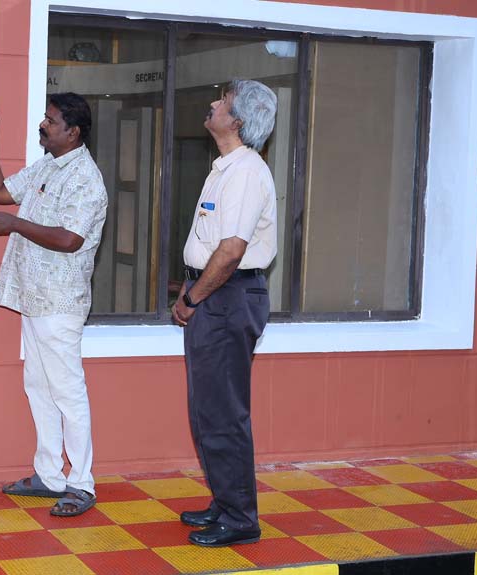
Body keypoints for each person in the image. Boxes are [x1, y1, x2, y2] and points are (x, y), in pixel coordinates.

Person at [0, 93, 107, 517]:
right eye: (45, 118)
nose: (43, 125)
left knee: (68, 391)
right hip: (34, 298)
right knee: (39, 386)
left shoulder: (86, 178)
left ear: (74, 132)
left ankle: (81, 483)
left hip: (60, 302)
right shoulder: (48, 165)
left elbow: (70, 239)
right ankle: (50, 474)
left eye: (51, 121)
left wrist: (15, 223)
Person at [171, 79, 278, 547]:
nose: (214, 103)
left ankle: (240, 519)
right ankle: (225, 500)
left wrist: (193, 298)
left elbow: (232, 250)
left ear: (237, 121)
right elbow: (215, 244)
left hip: (227, 297)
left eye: (224, 101)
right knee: (208, 411)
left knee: (223, 413)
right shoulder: (226, 168)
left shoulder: (246, 172)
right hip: (216, 293)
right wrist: (192, 287)